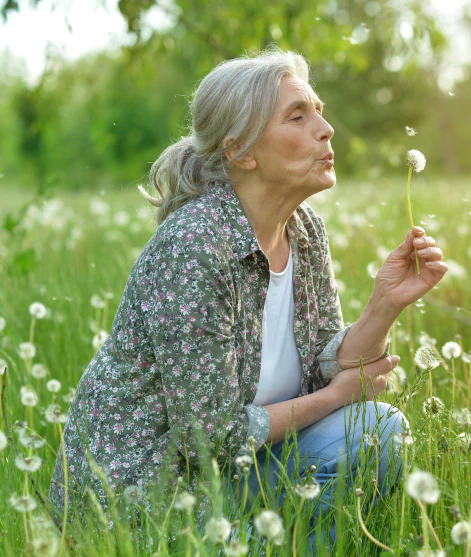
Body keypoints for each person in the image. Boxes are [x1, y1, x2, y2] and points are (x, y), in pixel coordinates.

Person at [47, 45, 448, 552]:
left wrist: (385, 304)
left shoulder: (304, 230)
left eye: (319, 113)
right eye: (297, 117)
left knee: (377, 430)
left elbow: (329, 360)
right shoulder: (194, 246)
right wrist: (335, 398)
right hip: (150, 496)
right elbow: (209, 438)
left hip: (241, 467)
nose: (325, 130)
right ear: (241, 152)